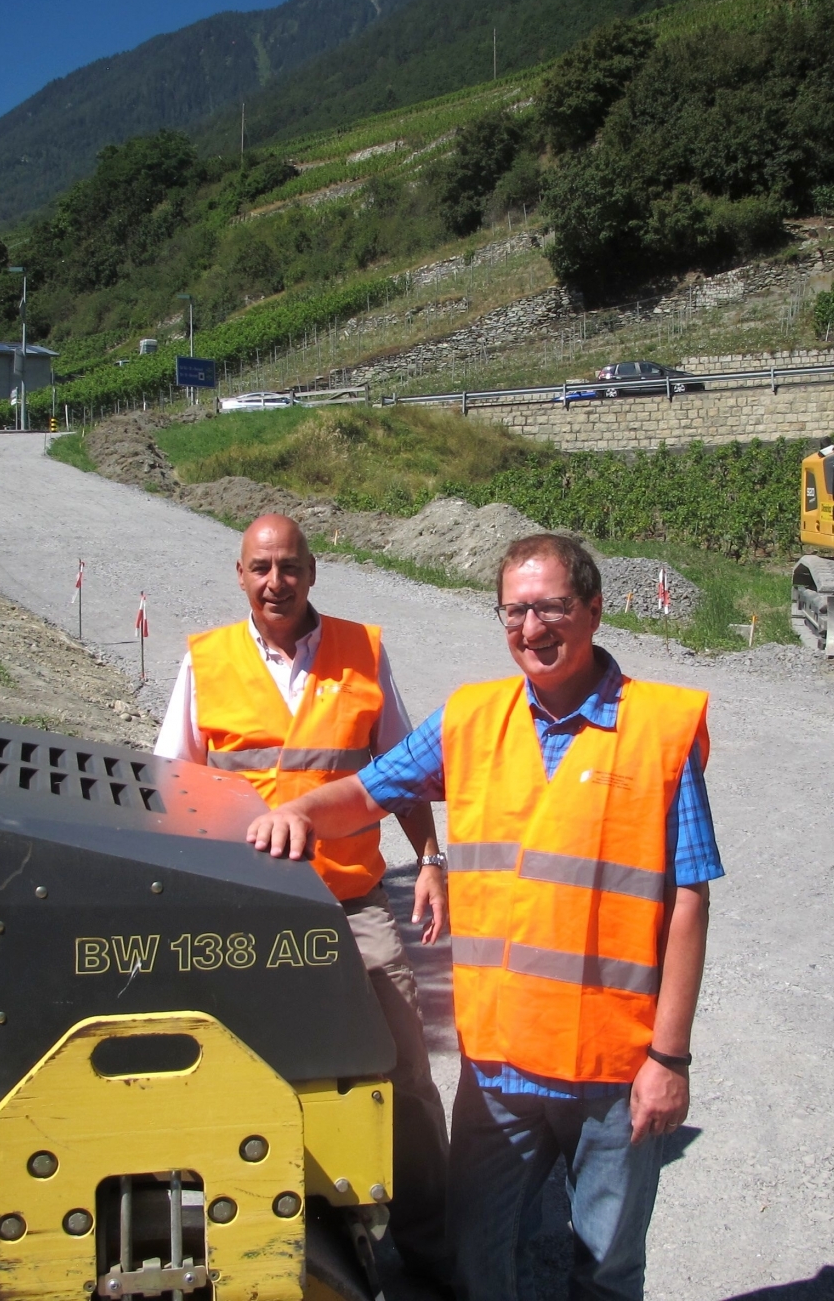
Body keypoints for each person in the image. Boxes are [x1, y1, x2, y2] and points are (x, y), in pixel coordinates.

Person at [244, 532, 719, 1301]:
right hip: (499, 1067)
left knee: (605, 1269)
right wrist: (300, 809)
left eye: (552, 608)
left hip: (615, 1068)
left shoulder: (659, 730)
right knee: (476, 1259)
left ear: (594, 611)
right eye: (515, 611)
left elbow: (690, 899)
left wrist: (670, 1060)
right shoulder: (471, 718)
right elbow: (370, 791)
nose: (532, 630)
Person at [155, 513, 452, 1283]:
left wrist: (429, 856)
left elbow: (405, 768)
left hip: (351, 903)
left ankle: (431, 1244)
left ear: (313, 572)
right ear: (240, 575)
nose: (275, 583)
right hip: (242, 909)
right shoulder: (205, 661)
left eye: (289, 567)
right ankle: (248, 1229)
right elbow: (169, 787)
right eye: (260, 568)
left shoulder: (363, 652)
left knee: (404, 1068)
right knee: (237, 1069)